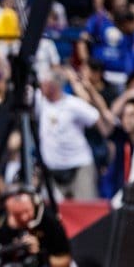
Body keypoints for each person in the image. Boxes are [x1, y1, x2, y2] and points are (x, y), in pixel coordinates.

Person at [36, 67, 106, 200]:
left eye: (44, 82)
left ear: (54, 85)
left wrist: (104, 143)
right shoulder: (39, 101)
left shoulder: (73, 104)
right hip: (52, 169)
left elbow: (98, 120)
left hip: (79, 166)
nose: (41, 86)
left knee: (85, 209)